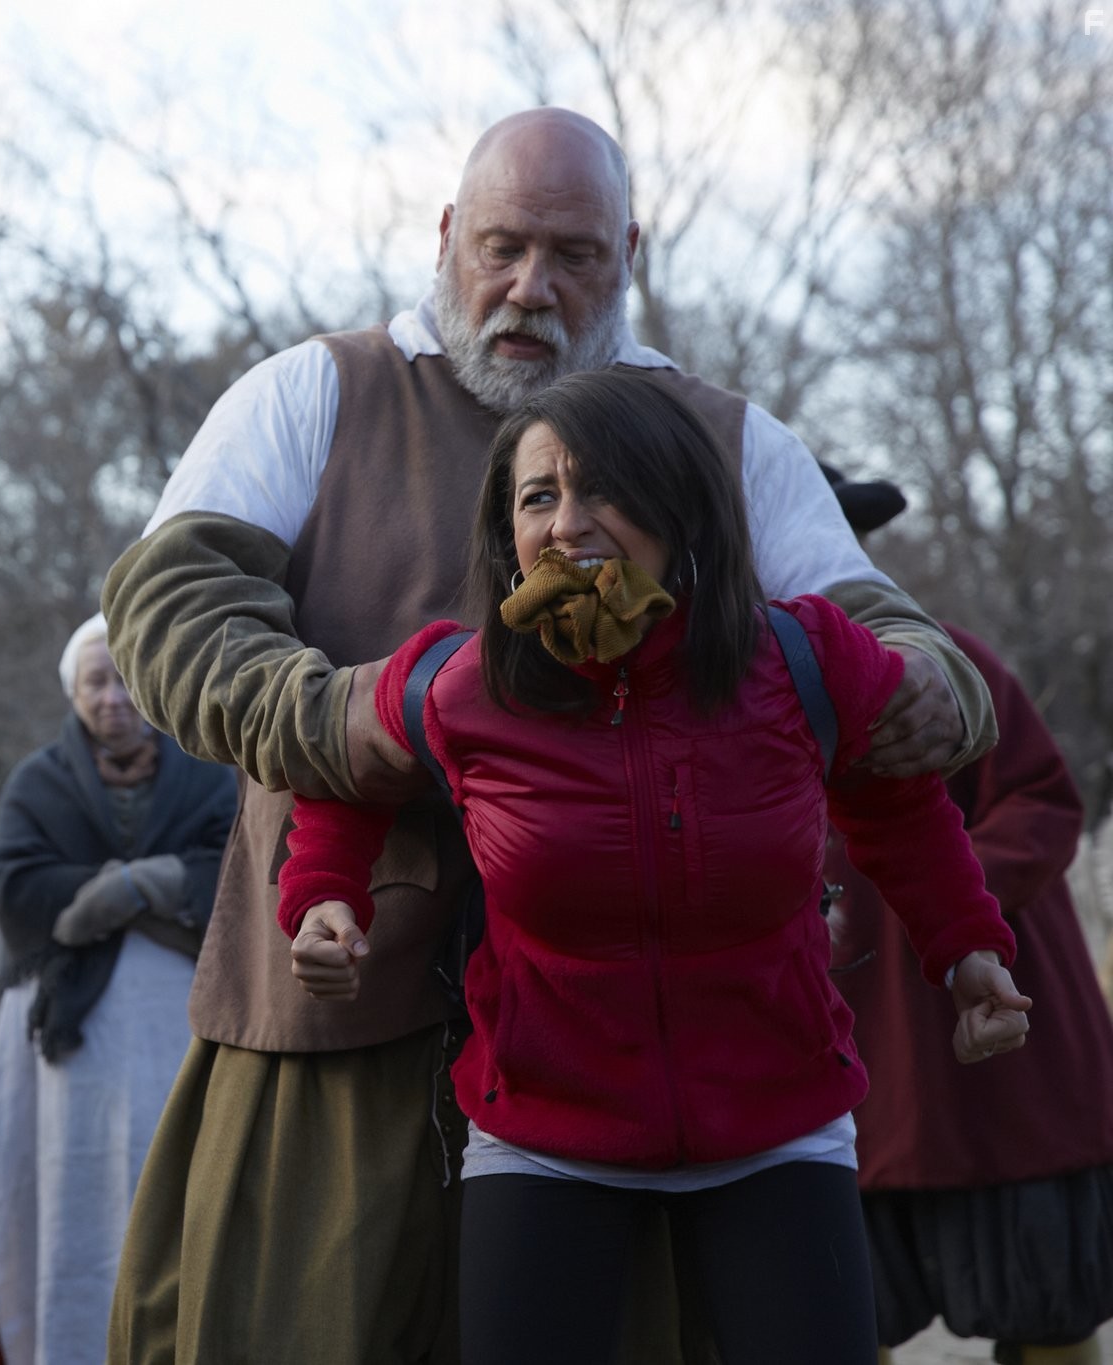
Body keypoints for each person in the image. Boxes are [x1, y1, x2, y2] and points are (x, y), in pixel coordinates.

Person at [100, 106, 999, 1365]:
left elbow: (892, 645)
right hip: (343, 1016)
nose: (531, 287)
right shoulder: (312, 392)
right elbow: (167, 610)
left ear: (626, 253)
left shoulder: (720, 437)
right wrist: (342, 724)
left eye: (573, 255)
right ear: (445, 237)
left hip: (646, 1075)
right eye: (503, 245)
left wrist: (924, 694)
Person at [277, 366, 1028, 1365]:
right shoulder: (459, 685)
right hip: (540, 1128)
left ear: (680, 509)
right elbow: (344, 776)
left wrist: (967, 949)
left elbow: (897, 806)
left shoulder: (803, 659)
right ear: (506, 536)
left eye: (604, 490)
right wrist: (322, 900)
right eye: (536, 497)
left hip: (778, 1121)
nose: (567, 523)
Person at [815, 467, 1113, 1365]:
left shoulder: (947, 664)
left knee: (1046, 1295)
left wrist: (943, 892)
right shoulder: (736, 686)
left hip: (989, 1041)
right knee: (835, 1311)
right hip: (853, 1046)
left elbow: (1039, 799)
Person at [0, 614, 237, 1365]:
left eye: (125, 678)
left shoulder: (205, 776)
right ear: (74, 691)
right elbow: (17, 890)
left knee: (168, 1192)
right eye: (96, 680)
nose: (113, 697)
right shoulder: (38, 781)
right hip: (67, 1048)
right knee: (72, 1205)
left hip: (177, 1035)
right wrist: (111, 891)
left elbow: (237, 873)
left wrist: (143, 883)